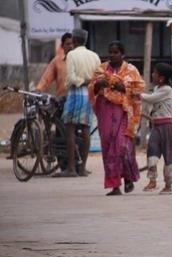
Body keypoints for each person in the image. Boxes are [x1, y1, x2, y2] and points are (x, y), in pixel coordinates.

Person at [88, 41, 145, 196]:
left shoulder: (131, 70)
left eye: (115, 52)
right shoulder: (101, 69)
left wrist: (123, 88)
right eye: (110, 52)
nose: (112, 55)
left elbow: (139, 88)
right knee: (108, 147)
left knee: (122, 147)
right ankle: (114, 185)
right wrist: (99, 84)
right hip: (106, 111)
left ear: (122, 54)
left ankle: (128, 178)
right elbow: (92, 88)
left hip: (125, 113)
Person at [53, 28, 100, 177]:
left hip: (76, 93)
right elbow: (99, 77)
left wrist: (83, 81)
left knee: (70, 130)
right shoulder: (94, 56)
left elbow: (72, 78)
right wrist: (90, 82)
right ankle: (83, 168)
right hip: (90, 95)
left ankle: (71, 168)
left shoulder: (72, 55)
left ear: (74, 40)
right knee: (86, 129)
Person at [141, 63, 172, 195]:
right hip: (156, 125)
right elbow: (150, 105)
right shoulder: (156, 87)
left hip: (167, 126)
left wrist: (138, 95)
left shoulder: (167, 89)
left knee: (168, 155)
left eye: (155, 73)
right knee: (152, 150)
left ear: (161, 78)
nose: (152, 75)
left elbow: (151, 99)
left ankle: (169, 184)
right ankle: (152, 180)